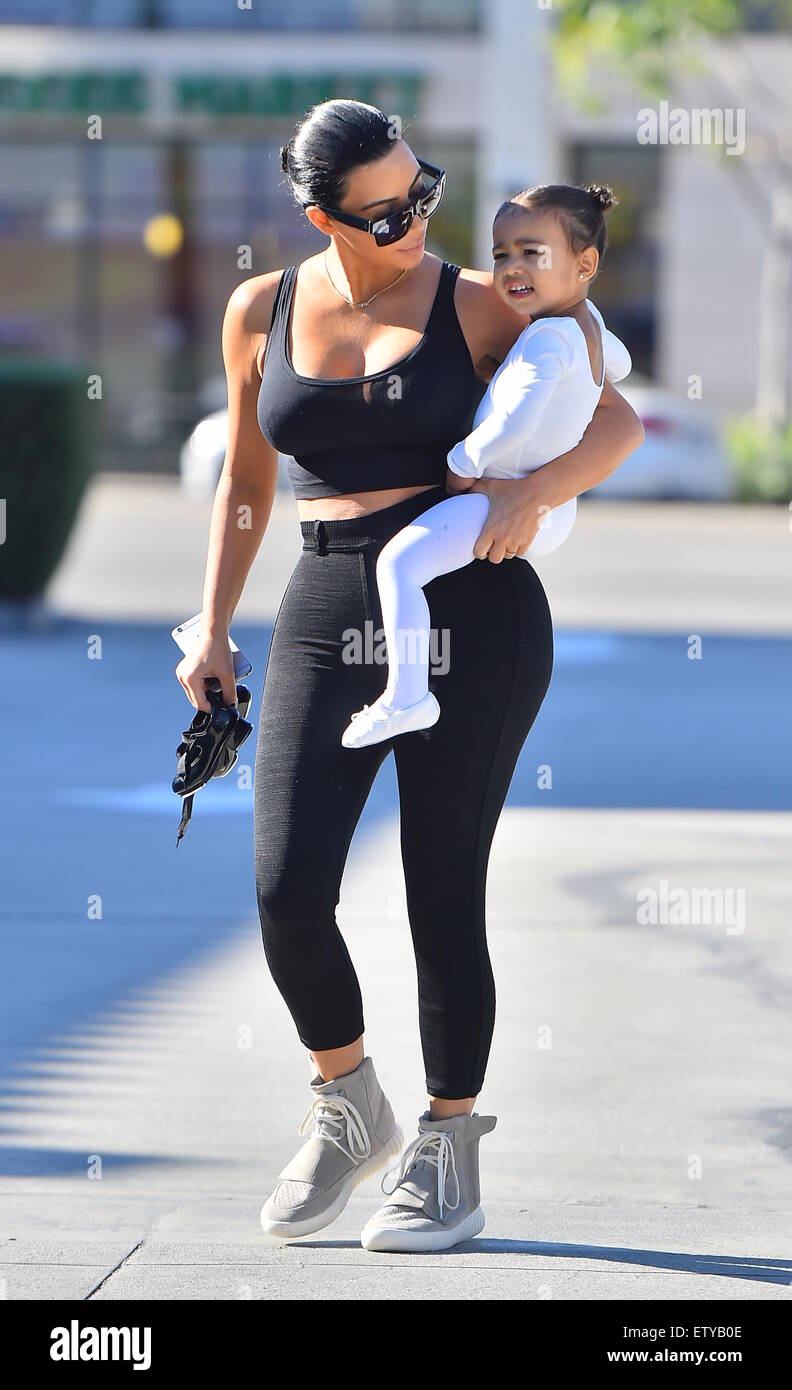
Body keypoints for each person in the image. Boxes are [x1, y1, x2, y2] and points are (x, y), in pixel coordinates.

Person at [174, 99, 644, 1254]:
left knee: (443, 884)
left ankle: (449, 1141)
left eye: (423, 191)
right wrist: (213, 623)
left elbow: (617, 417)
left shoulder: (485, 306)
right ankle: (350, 1101)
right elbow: (245, 477)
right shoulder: (259, 311)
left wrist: (535, 495)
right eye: (387, 211)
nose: (415, 221)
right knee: (287, 888)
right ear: (320, 213)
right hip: (329, 597)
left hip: (472, 605)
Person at [341, 182, 634, 750]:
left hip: (503, 497)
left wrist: (462, 464)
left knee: (399, 566)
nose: (511, 267)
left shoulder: (548, 338)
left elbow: (516, 423)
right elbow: (615, 363)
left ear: (585, 263)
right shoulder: (587, 324)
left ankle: (406, 696)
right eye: (501, 254)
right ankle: (410, 692)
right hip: (550, 509)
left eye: (531, 252)